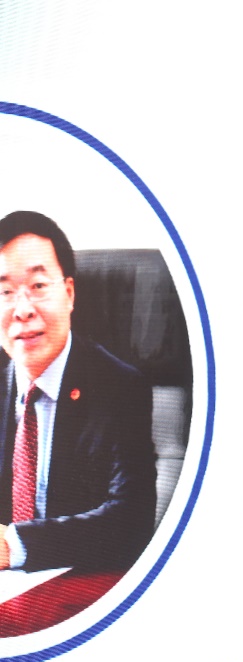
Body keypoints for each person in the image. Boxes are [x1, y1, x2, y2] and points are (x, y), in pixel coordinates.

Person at [0, 211, 157, 573]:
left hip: (77, 585)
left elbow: (131, 522)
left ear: (68, 293)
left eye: (38, 286)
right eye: (5, 292)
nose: (22, 310)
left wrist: (14, 546)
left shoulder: (120, 387)